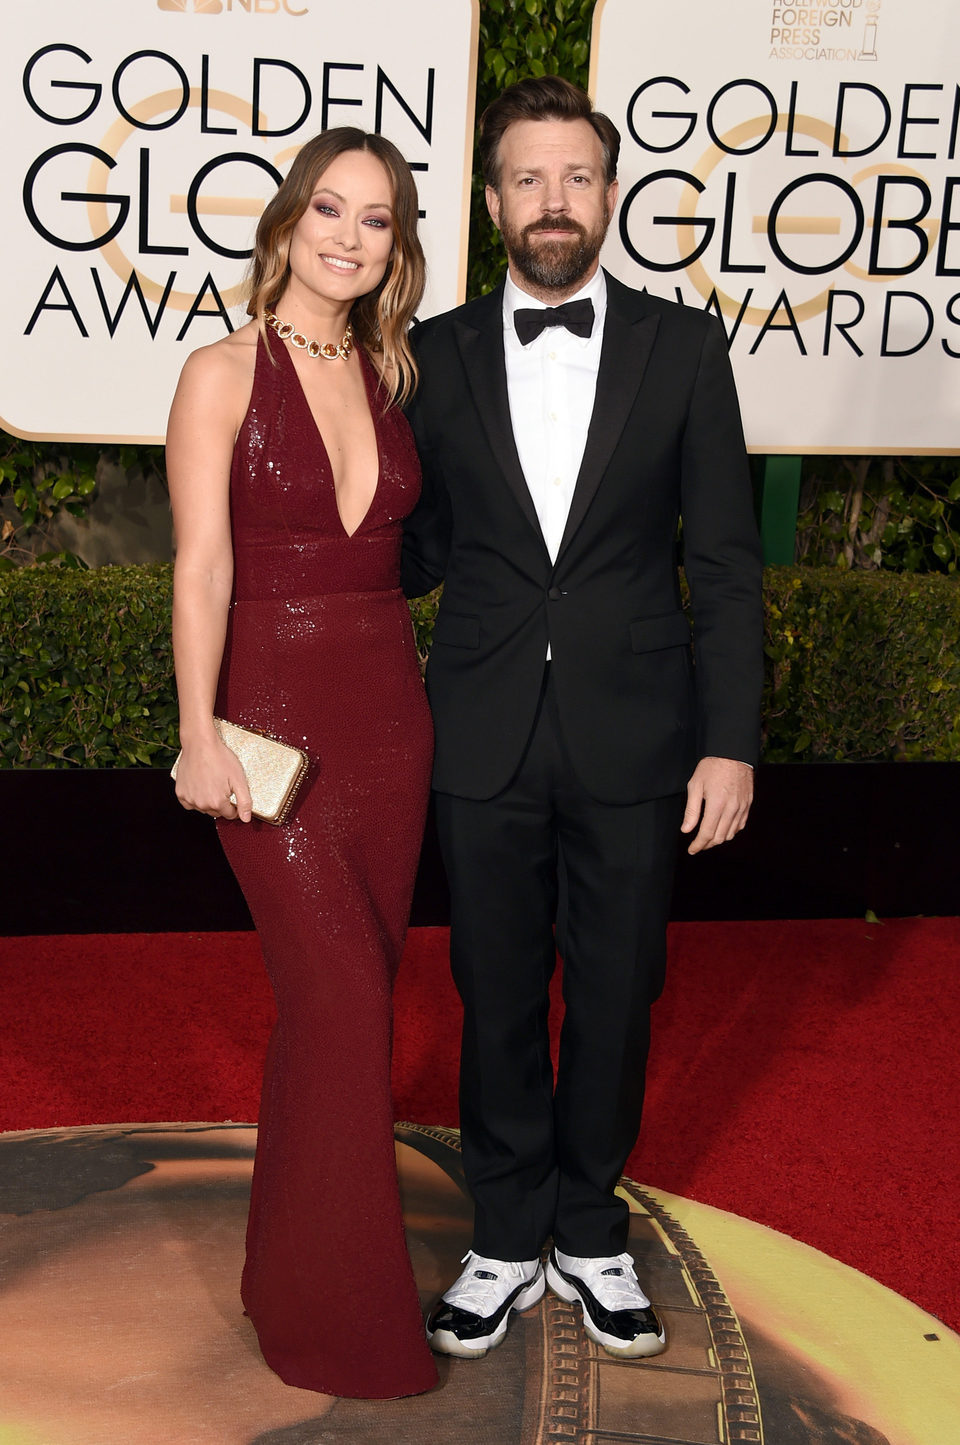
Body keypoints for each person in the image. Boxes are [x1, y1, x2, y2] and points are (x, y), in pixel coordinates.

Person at [402, 76, 765, 1362]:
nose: (553, 203)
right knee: (492, 987)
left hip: (638, 730)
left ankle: (590, 1229)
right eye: (527, 179)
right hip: (481, 723)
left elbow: (723, 559)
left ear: (608, 194)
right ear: (492, 199)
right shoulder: (432, 354)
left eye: (577, 177)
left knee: (618, 989)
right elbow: (412, 539)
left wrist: (732, 739)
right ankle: (506, 1234)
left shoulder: (687, 347)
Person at [167, 128, 437, 1399]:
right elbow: (202, 566)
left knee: (337, 1013)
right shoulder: (220, 370)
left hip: (392, 722)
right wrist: (197, 728)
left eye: (376, 219)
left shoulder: (390, 371)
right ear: (286, 222)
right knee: (341, 1005)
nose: (348, 234)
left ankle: (285, 1272)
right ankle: (346, 1321)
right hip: (268, 723)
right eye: (329, 207)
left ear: (397, 245)